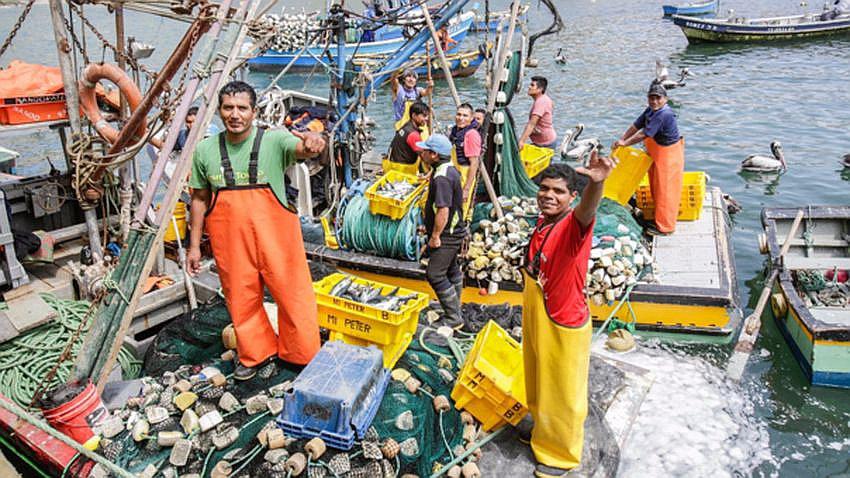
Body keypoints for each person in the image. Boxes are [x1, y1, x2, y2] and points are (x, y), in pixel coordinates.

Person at [186, 81, 325, 380]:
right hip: (231, 243)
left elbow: (303, 148)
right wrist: (194, 246)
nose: (235, 114)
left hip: (277, 240)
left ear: (253, 111)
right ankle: (255, 354)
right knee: (240, 297)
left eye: (242, 108)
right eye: (228, 108)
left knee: (294, 296)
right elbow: (199, 199)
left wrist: (315, 141)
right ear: (219, 111)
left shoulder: (275, 141)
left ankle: (301, 355)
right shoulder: (204, 151)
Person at [521, 152, 615, 478]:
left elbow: (588, 211)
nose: (549, 195)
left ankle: (560, 455)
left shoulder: (574, 226)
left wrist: (596, 183)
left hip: (562, 320)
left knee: (562, 393)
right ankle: (540, 431)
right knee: (538, 379)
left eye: (559, 191)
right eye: (544, 188)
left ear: (571, 197)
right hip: (539, 312)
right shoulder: (543, 221)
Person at [612, 82, 683, 236]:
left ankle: (665, 227)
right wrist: (622, 139)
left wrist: (625, 143)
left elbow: (644, 134)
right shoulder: (650, 110)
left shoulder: (664, 113)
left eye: (658, 98)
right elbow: (636, 126)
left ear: (665, 99)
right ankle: (659, 218)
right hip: (657, 153)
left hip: (668, 155)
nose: (654, 101)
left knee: (666, 190)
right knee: (656, 187)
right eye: (651, 98)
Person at [418, 134, 467, 329]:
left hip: (448, 234)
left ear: (434, 154)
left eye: (424, 151)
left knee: (435, 274)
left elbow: (443, 209)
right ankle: (455, 307)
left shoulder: (442, 178)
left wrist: (436, 236)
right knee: (451, 269)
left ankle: (454, 317)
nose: (421, 153)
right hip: (455, 230)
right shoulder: (448, 169)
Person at [448, 103, 481, 204]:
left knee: (460, 207)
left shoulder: (471, 135)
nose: (461, 118)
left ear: (471, 118)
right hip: (454, 173)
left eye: (465, 115)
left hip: (464, 175)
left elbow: (474, 163)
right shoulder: (455, 131)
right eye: (459, 114)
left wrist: (466, 189)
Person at [518, 76, 557, 150]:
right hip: (542, 142)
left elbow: (531, 124)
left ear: (540, 89)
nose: (529, 87)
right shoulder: (544, 99)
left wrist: (521, 141)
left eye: (532, 85)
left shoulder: (541, 102)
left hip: (546, 144)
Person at [387, 101, 430, 167]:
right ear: (414, 115)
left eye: (427, 116)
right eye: (424, 116)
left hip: (393, 164)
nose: (427, 118)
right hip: (403, 170)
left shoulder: (406, 126)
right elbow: (425, 158)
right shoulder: (413, 134)